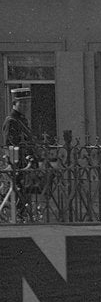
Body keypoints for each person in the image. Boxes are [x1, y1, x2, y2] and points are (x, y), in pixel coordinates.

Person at [3, 87, 37, 218]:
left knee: (25, 194)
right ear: (14, 103)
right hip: (18, 164)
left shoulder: (23, 120)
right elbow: (9, 145)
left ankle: (23, 216)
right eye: (21, 103)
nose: (25, 106)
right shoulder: (11, 121)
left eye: (27, 102)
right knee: (18, 195)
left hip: (26, 163)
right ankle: (18, 216)